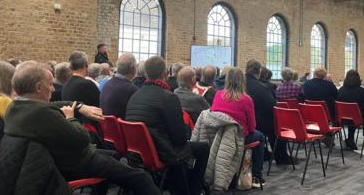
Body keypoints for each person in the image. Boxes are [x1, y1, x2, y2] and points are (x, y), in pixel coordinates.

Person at [4, 61, 160, 195]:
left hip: (61, 159)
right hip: (77, 162)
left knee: (114, 155)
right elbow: (82, 138)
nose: (52, 89)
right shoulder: (42, 113)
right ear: (38, 87)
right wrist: (71, 118)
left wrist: (79, 106)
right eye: (50, 84)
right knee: (140, 177)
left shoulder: (16, 108)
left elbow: (56, 104)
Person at [126, 56, 209, 195]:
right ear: (165, 73)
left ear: (146, 73)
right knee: (203, 148)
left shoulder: (136, 95)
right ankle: (194, 190)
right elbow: (179, 139)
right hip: (159, 152)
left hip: (137, 151)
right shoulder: (168, 97)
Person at [211, 67, 266, 188]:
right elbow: (252, 127)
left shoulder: (218, 94)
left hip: (219, 137)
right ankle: (257, 176)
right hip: (239, 138)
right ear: (243, 81)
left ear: (227, 80)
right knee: (260, 137)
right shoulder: (246, 99)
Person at [245, 59, 289, 164]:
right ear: (258, 71)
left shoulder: (239, 83)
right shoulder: (261, 87)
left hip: (242, 120)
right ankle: (281, 157)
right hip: (256, 122)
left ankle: (264, 153)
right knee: (276, 125)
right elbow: (272, 106)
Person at [337, 70, 364, 154]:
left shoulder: (340, 90)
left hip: (342, 119)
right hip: (358, 119)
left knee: (352, 115)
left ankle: (350, 139)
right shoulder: (362, 91)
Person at [62, 51, 101, 125]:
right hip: (87, 129)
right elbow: (100, 108)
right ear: (86, 64)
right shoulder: (87, 84)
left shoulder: (67, 83)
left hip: (72, 124)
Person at [100, 53, 138, 119]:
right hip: (121, 128)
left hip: (106, 127)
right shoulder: (132, 90)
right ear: (134, 69)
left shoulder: (107, 84)